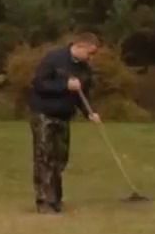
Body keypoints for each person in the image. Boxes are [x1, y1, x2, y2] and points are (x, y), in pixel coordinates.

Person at [29, 31, 102, 214]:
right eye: (90, 53)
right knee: (44, 157)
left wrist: (89, 113)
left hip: (64, 117)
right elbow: (39, 84)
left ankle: (55, 199)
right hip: (44, 114)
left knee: (60, 159)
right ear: (80, 46)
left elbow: (82, 96)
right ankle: (44, 201)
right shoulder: (54, 59)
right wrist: (64, 85)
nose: (91, 58)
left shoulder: (85, 69)